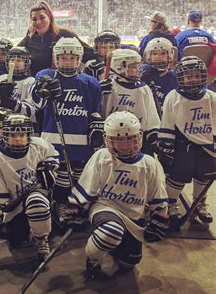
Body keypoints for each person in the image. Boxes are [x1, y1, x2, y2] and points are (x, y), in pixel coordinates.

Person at [67, 111, 168, 279]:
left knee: (128, 263)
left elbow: (157, 195)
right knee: (111, 232)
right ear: (108, 140)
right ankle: (94, 259)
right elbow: (88, 186)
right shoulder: (102, 157)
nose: (126, 146)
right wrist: (76, 207)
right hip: (106, 208)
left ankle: (111, 245)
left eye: (130, 139)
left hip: (134, 217)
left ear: (139, 138)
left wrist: (160, 216)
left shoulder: (149, 164)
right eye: (119, 141)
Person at [30, 37, 103, 224]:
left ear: (79, 59)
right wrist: (42, 89)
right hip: (52, 142)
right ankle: (59, 203)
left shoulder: (90, 83)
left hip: (81, 142)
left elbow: (94, 112)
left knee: (79, 175)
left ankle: (76, 205)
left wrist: (96, 127)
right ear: (56, 58)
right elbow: (36, 104)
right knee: (59, 175)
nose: (67, 62)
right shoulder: (45, 75)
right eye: (63, 58)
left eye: (72, 58)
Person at [0, 113, 60, 263]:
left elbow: (53, 158)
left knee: (36, 203)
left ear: (28, 134)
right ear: (5, 135)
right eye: (13, 134)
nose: (18, 139)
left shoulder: (39, 145)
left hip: (37, 196)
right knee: (17, 241)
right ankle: (34, 226)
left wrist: (49, 168)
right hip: (15, 204)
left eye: (22, 134)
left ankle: (41, 240)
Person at [158, 56, 215, 231]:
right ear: (181, 78)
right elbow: (167, 122)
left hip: (208, 147)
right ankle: (171, 205)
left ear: (203, 76)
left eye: (196, 75)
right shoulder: (173, 97)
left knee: (203, 178)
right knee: (177, 178)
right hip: (183, 146)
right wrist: (166, 146)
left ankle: (199, 205)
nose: (193, 79)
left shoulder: (212, 97)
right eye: (188, 76)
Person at [101, 49, 160, 155]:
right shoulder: (109, 86)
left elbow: (152, 115)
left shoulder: (143, 88)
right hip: (112, 138)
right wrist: (99, 93)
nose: (137, 70)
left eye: (138, 66)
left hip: (136, 139)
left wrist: (152, 133)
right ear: (119, 67)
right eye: (133, 67)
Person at [18, 1, 93, 76]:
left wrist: (80, 72)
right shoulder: (28, 40)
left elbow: (90, 53)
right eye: (34, 19)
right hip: (37, 84)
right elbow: (13, 55)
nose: (38, 22)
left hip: (62, 84)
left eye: (42, 17)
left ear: (49, 17)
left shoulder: (65, 35)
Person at [0, 47, 35, 121]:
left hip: (23, 124)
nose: (15, 62)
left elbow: (32, 110)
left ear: (26, 63)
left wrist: (13, 104)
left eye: (19, 60)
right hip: (4, 123)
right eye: (12, 60)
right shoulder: (2, 78)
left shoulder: (31, 81)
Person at [141, 38, 178, 112]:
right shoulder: (142, 73)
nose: (158, 56)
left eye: (163, 53)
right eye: (154, 54)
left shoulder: (174, 78)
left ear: (169, 55)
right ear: (148, 55)